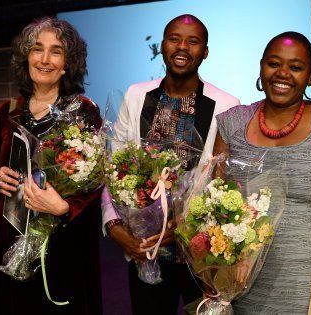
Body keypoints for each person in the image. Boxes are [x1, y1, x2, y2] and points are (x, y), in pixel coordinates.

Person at [101, 14, 240, 314]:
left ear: (205, 51)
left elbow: (224, 183)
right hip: (145, 248)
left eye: (193, 41)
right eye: (175, 38)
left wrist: (182, 226)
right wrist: (113, 226)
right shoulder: (138, 95)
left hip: (201, 252)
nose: (182, 47)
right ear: (162, 45)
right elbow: (114, 168)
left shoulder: (226, 105)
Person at [213, 31, 311, 314]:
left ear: (310, 76)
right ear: (261, 66)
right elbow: (213, 207)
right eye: (273, 64)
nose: (282, 73)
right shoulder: (232, 123)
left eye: (295, 67)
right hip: (242, 287)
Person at [0, 17, 102, 314]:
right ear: (26, 56)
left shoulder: (83, 111)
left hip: (63, 239)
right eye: (37, 49)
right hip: (10, 231)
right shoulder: (7, 111)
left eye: (56, 51)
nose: (45, 59)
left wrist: (64, 208)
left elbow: (95, 182)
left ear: (68, 63)